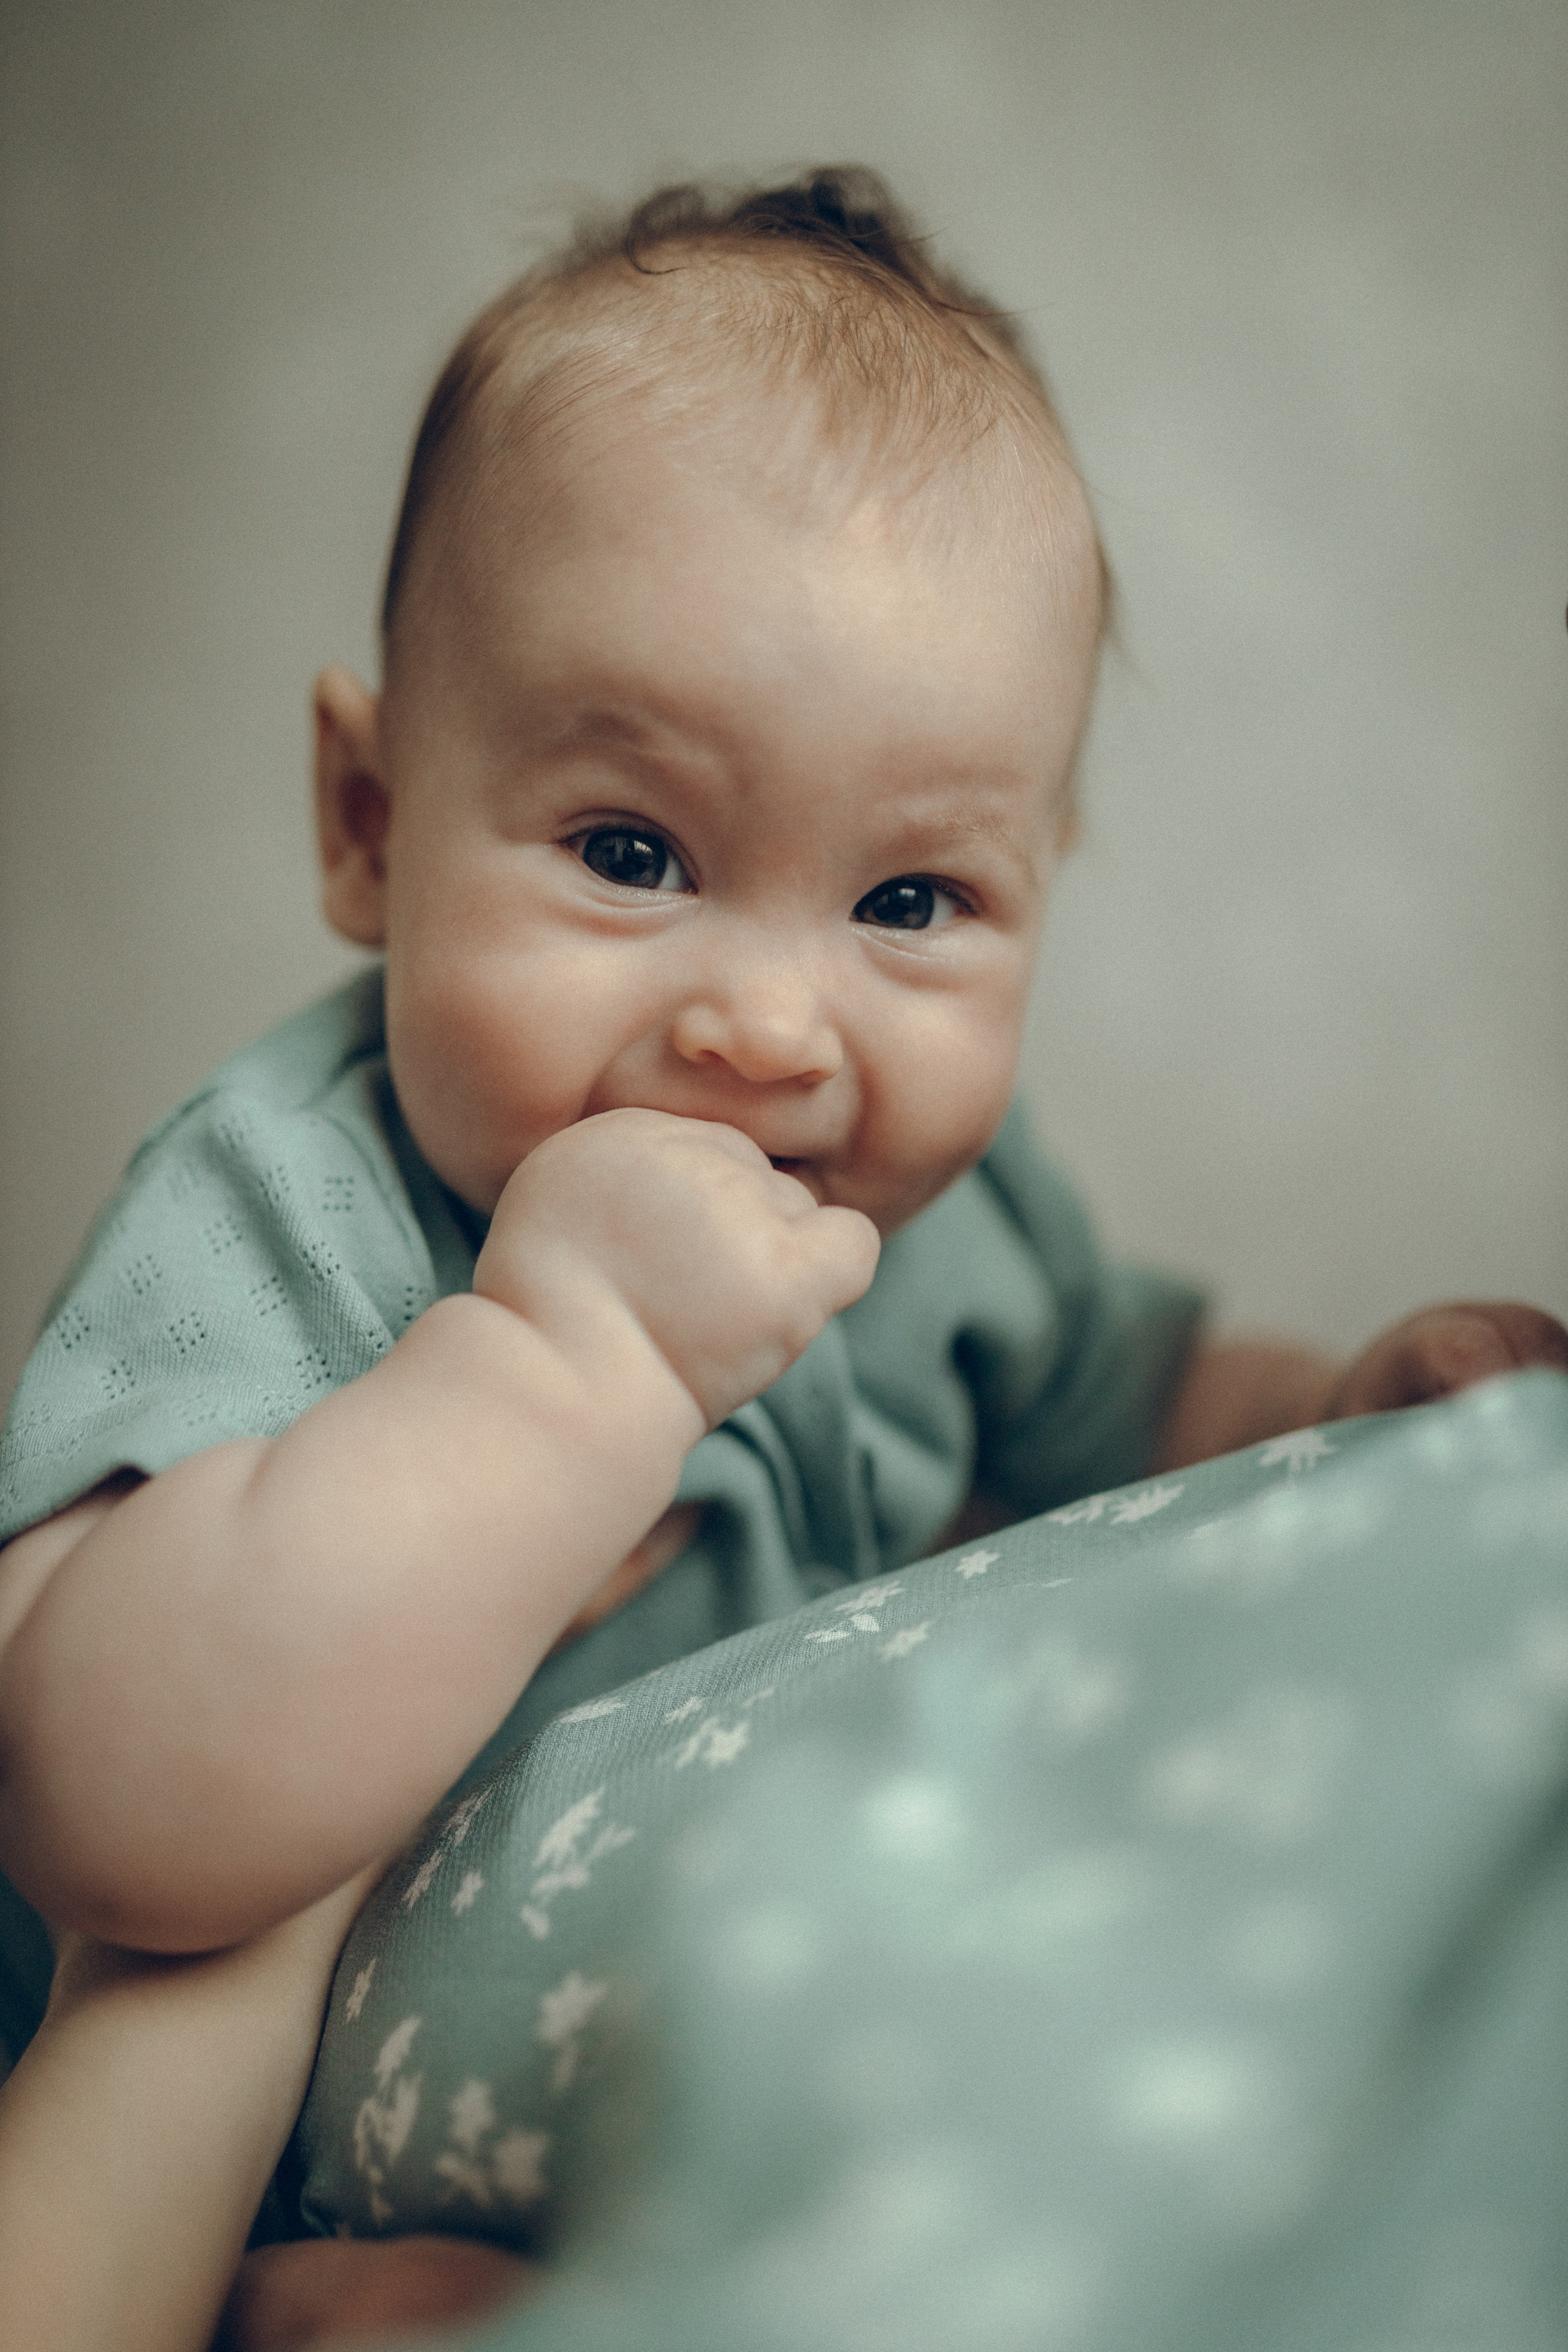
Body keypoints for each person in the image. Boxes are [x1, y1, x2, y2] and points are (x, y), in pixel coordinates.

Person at [0, 165, 1563, 2312]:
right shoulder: (296, 1199)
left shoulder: (939, 1214)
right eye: (633, 852)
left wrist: (1350, 1412)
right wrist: (563, 1370)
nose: (765, 1025)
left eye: (909, 901)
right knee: (185, 1985)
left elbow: (1138, 1404)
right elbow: (98, 1791)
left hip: (613, 2002)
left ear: (1046, 874)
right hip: (250, 1995)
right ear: (370, 824)